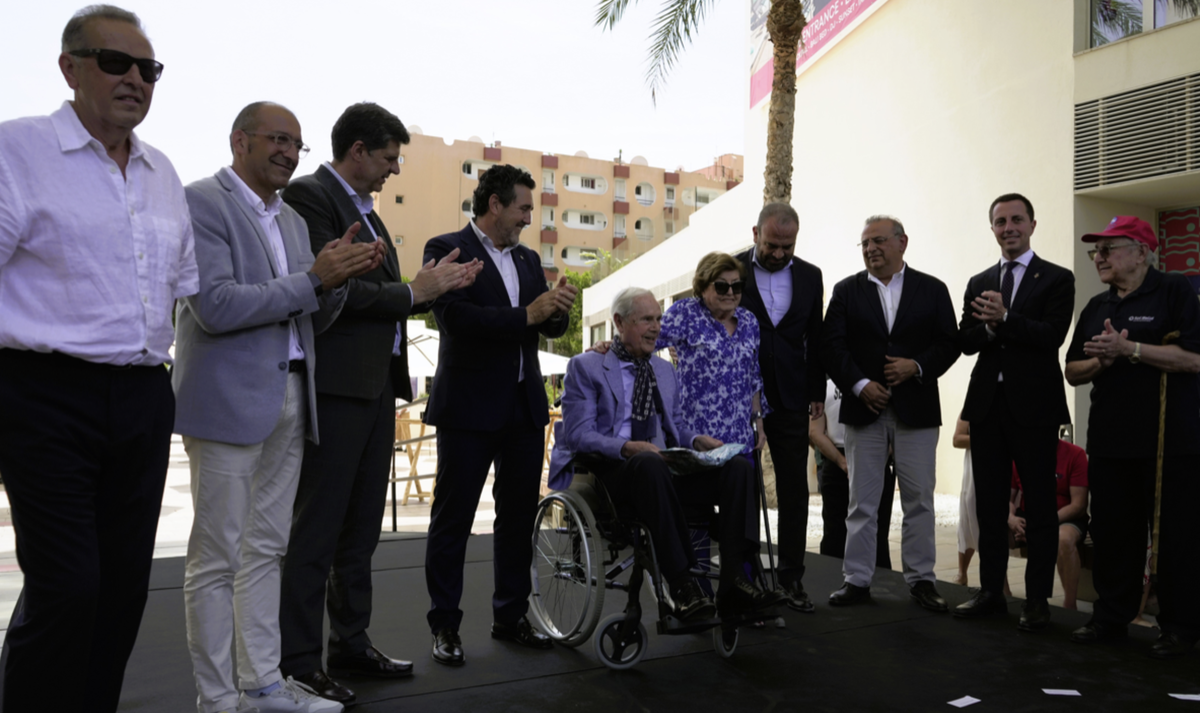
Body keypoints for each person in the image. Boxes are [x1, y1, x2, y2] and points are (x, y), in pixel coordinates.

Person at [0, 7, 198, 711]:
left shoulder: (162, 172)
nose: (135, 79)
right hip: (42, 394)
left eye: (149, 69)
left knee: (121, 589)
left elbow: (180, 291)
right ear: (70, 67)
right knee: (67, 586)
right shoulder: (16, 151)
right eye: (116, 63)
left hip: (143, 395)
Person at [174, 102, 382, 713]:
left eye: (299, 144)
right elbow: (215, 306)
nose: (291, 153)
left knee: (267, 549)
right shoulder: (199, 202)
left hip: (293, 395)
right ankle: (217, 699)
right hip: (227, 403)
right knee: (217, 558)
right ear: (239, 140)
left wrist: (336, 280)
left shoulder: (291, 220)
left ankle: (263, 684)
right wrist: (316, 279)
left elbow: (306, 307)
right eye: (278, 139)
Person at [279, 102, 480, 705]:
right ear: (359, 150)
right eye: (390, 157)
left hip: (371, 391)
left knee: (361, 530)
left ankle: (351, 643)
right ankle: (298, 661)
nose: (395, 170)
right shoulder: (312, 197)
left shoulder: (367, 213)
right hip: (336, 387)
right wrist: (413, 291)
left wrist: (424, 290)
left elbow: (384, 293)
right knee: (317, 530)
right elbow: (328, 286)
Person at [548, 288, 786, 621]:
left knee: (737, 468)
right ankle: (682, 585)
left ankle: (734, 581)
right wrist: (628, 447)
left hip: (662, 471)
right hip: (611, 475)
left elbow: (677, 430)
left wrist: (698, 439)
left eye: (659, 319)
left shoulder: (663, 371)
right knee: (647, 462)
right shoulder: (586, 367)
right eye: (646, 319)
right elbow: (577, 436)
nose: (657, 327)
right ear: (618, 322)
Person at [422, 165, 577, 667]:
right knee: (454, 519)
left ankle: (510, 616)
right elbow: (456, 319)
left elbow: (544, 328)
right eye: (523, 208)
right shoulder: (446, 248)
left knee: (517, 521)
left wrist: (558, 309)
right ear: (494, 205)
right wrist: (527, 315)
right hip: (468, 409)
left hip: (524, 408)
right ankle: (444, 625)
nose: (528, 219)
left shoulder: (530, 259)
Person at [1064, 215, 1200, 658]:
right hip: (1109, 441)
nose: (1099, 257)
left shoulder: (1175, 290)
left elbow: (1193, 359)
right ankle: (1111, 617)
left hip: (1170, 443)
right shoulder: (1096, 307)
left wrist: (1131, 350)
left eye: (1109, 248)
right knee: (1114, 534)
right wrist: (1101, 363)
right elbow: (1072, 371)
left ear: (1142, 252)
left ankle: (1179, 627)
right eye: (1095, 250)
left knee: (1176, 537)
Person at [821, 215, 959, 612]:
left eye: (878, 241)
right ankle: (857, 580)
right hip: (864, 410)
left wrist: (915, 366)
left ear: (902, 243)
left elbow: (949, 343)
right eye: (864, 244)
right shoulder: (846, 291)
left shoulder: (932, 289)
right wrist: (861, 385)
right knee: (862, 501)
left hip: (916, 409)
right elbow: (832, 347)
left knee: (919, 500)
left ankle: (921, 581)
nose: (870, 249)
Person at [955, 193, 1074, 632]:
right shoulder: (979, 280)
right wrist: (986, 327)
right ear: (992, 229)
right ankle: (990, 592)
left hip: (1035, 410)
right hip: (987, 409)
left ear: (1032, 225)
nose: (1009, 227)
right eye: (1001, 221)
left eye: (1017, 220)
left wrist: (1004, 319)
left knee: (1041, 506)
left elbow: (1052, 336)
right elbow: (965, 341)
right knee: (988, 506)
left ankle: (1038, 600)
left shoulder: (1057, 279)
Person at [735, 202, 826, 613]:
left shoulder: (811, 276)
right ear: (756, 233)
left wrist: (817, 394)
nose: (778, 253)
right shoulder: (729, 270)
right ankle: (745, 578)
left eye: (787, 246)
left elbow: (816, 338)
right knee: (741, 486)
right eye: (772, 244)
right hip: (738, 397)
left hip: (791, 396)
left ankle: (791, 579)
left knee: (794, 491)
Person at [657, 252, 766, 456]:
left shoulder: (749, 321)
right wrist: (611, 345)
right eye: (722, 286)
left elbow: (753, 377)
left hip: (739, 439)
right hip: (697, 440)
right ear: (703, 286)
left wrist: (758, 421)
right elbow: (645, 341)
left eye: (737, 285)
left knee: (741, 487)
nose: (730, 292)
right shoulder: (686, 313)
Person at [809, 378, 895, 568]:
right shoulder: (827, 387)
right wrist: (842, 462)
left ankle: (878, 577)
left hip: (869, 457)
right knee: (836, 531)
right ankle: (834, 576)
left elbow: (892, 428)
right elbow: (815, 432)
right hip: (837, 457)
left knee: (876, 531)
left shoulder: (878, 384)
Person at [1007, 439, 1089, 610]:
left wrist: (1041, 525)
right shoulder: (1020, 454)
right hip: (1029, 516)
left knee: (1063, 539)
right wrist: (1011, 518)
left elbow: (1078, 505)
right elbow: (1008, 498)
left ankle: (1069, 605)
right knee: (995, 525)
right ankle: (1001, 594)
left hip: (1064, 516)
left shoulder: (1075, 454)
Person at [951, 417, 978, 586]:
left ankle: (1001, 584)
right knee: (969, 516)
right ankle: (962, 573)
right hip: (976, 466)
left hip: (1006, 465)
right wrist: (987, 439)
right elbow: (957, 439)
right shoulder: (972, 406)